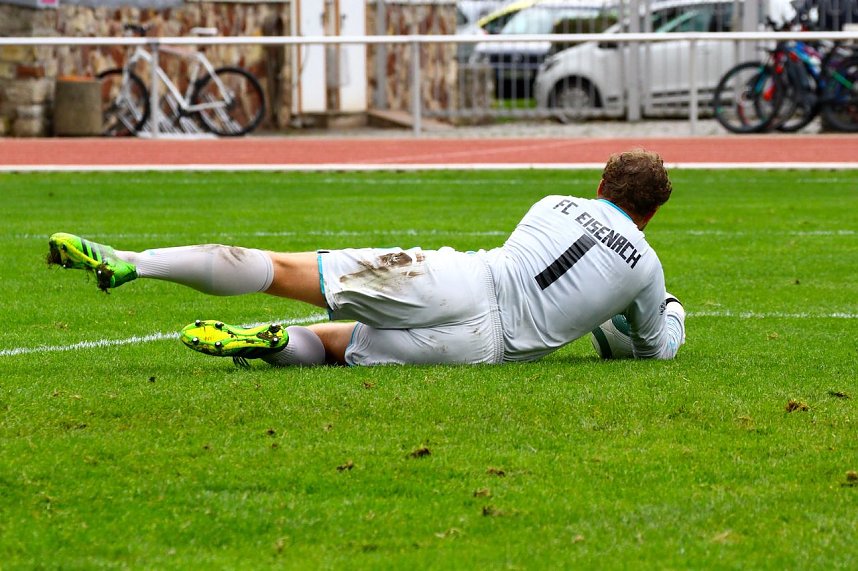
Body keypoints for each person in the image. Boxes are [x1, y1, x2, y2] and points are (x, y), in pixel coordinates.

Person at [47, 149, 686, 368]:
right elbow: (653, 346)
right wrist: (671, 313)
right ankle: (278, 344)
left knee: (284, 270)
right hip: (483, 347)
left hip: (460, 279)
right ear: (651, 214)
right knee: (335, 346)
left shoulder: (552, 203)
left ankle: (134, 261)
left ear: (600, 185)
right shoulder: (646, 266)